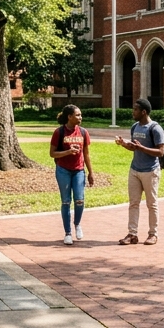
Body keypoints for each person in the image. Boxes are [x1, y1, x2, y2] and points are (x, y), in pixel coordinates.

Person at [116, 98, 164, 246]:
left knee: (152, 204)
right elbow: (134, 147)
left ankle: (153, 234)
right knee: (133, 203)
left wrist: (141, 148)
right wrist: (124, 144)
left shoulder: (155, 128)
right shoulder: (134, 127)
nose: (133, 112)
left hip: (150, 171)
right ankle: (132, 234)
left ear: (143, 112)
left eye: (135, 110)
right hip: (135, 170)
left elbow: (161, 152)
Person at [49, 105, 92, 246]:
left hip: (79, 170)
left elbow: (86, 154)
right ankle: (67, 233)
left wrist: (91, 172)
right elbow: (52, 154)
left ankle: (77, 224)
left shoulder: (83, 132)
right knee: (66, 201)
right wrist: (67, 152)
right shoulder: (59, 132)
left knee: (80, 200)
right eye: (78, 115)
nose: (80, 117)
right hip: (63, 170)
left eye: (81, 115)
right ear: (69, 116)